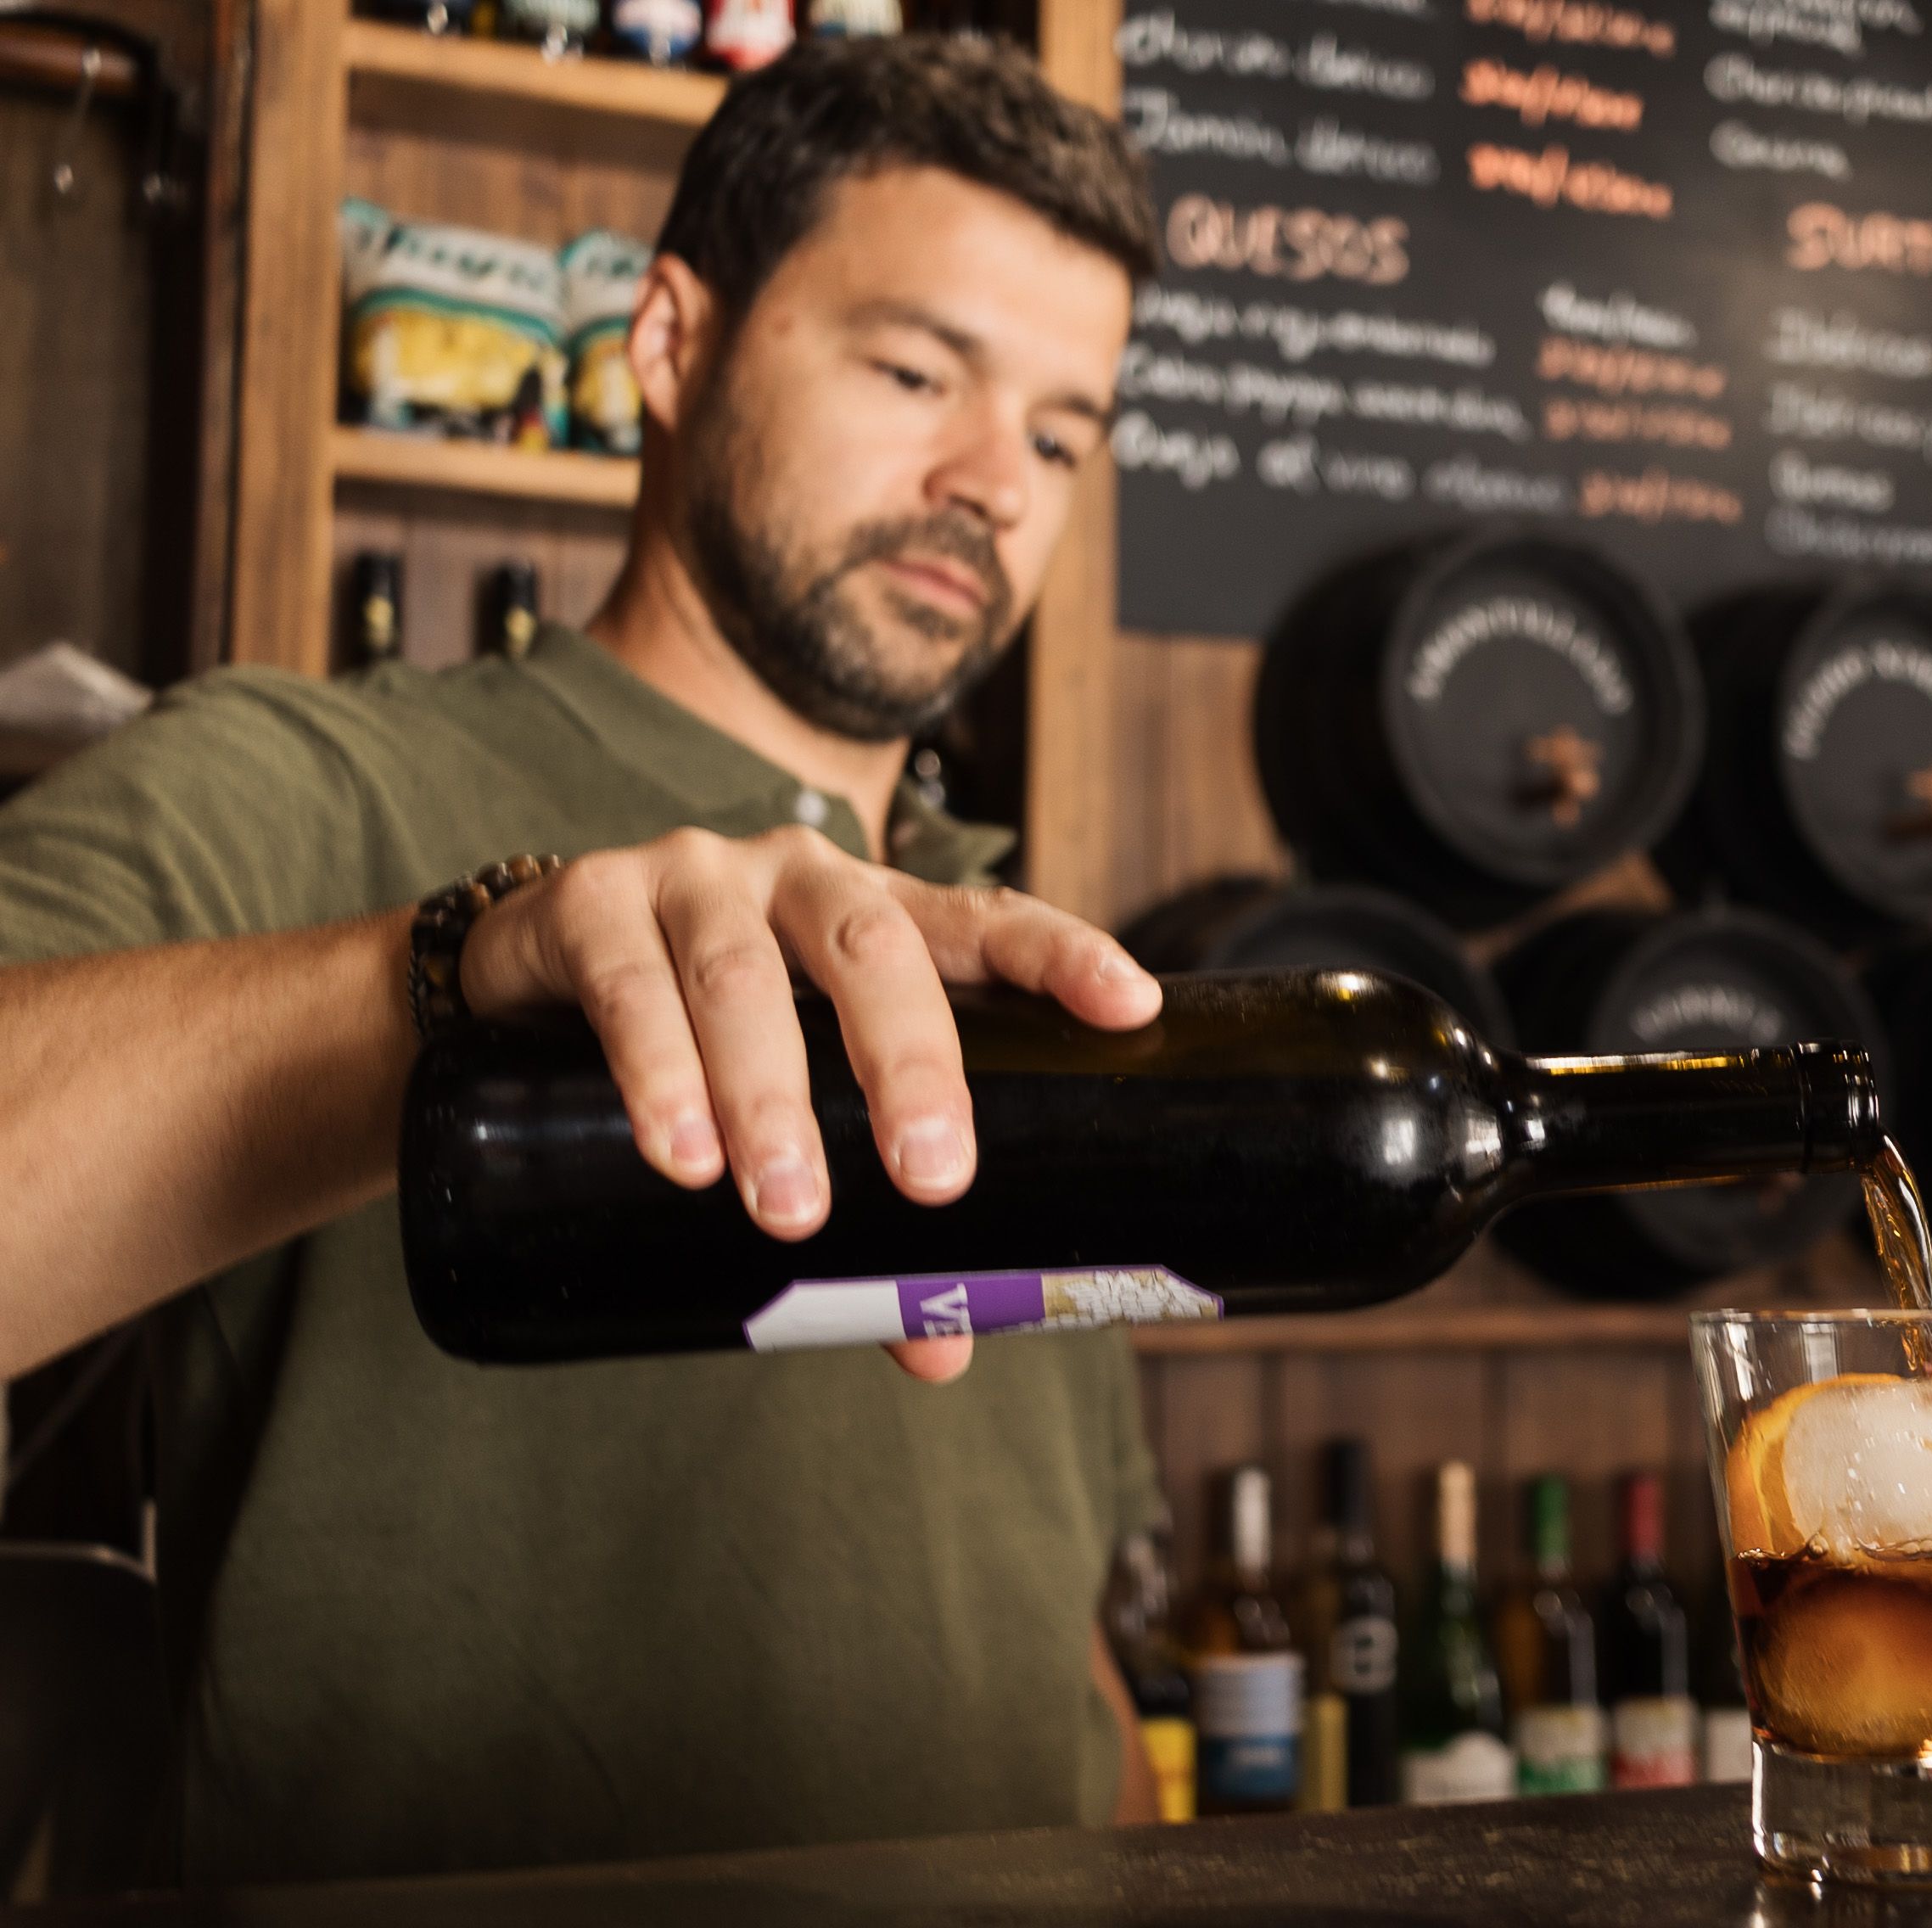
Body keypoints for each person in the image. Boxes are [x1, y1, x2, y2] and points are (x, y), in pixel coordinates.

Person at [0, 36, 1173, 1884]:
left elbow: (1048, 1616)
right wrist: (442, 980)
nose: (994, 487)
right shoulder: (306, 786)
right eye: (914, 371)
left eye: (1057, 437)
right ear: (670, 344)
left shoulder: (1026, 954)